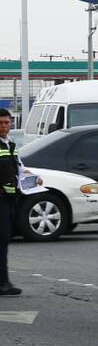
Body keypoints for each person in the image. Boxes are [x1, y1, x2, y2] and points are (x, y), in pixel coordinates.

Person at [0, 108, 29, 296]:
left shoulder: (10, 144)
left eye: (6, 122)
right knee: (1, 240)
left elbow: (18, 168)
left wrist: (31, 177)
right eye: (0, 123)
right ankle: (3, 283)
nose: (4, 126)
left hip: (10, 199)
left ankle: (4, 282)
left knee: (4, 240)